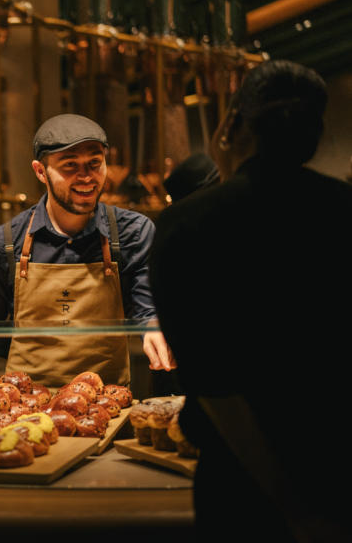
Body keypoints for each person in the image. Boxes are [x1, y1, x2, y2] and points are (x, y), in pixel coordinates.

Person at [150, 60, 352, 542]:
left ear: (231, 126)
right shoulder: (343, 209)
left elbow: (215, 386)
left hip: (240, 484)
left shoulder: (187, 225)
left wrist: (292, 506)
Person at [0, 113, 174, 388]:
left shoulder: (133, 233)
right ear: (40, 171)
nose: (86, 177)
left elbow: (147, 309)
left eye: (95, 163)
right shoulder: (5, 243)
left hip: (106, 400)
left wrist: (154, 329)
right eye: (70, 166)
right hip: (27, 404)